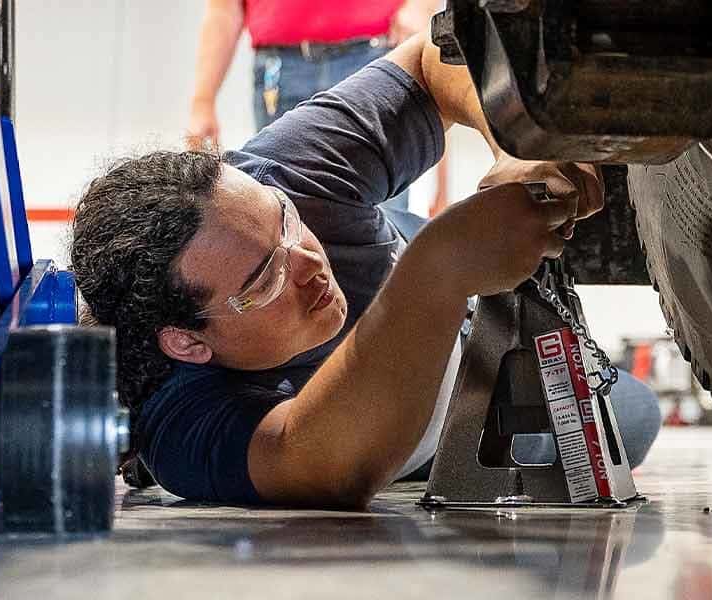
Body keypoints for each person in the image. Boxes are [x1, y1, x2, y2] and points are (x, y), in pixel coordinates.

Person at [72, 31, 661, 508]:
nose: (309, 263)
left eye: (288, 222)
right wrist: (440, 270)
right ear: (187, 341)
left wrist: (521, 143)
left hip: (430, 283)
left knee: (635, 415)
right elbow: (319, 465)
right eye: (265, 279)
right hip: (434, 417)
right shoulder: (181, 422)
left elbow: (436, 61)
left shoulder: (274, 177)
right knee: (630, 421)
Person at [185, 0, 447, 213]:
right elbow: (224, 9)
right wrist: (202, 100)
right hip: (281, 71)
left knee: (381, 209)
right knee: (284, 212)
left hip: (372, 54)